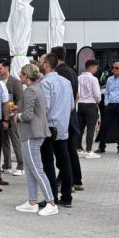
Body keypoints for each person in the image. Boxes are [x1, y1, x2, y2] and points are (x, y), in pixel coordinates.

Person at [13, 63, 57, 215]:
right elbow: (37, 110)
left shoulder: (30, 90)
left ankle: (51, 203)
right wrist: (20, 110)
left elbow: (28, 115)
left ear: (26, 75)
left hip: (32, 133)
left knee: (36, 169)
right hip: (34, 133)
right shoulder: (36, 88)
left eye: (21, 74)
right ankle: (32, 202)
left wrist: (18, 116)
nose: (19, 76)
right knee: (30, 169)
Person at [39, 55, 74, 207]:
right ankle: (66, 196)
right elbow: (72, 106)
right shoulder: (66, 82)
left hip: (49, 127)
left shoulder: (45, 82)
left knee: (48, 163)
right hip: (63, 126)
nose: (39, 64)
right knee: (64, 162)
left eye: (41, 62)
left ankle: (51, 197)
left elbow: (45, 108)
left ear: (47, 65)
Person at [50, 47, 84, 193]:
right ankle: (76, 180)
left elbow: (63, 97)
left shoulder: (60, 73)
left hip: (64, 118)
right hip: (70, 116)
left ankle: (68, 181)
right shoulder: (71, 71)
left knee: (64, 152)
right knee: (70, 150)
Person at [0, 60, 24, 175]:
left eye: (0, 68)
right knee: (4, 141)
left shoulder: (15, 81)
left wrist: (17, 111)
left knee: (15, 140)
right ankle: (6, 165)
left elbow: (21, 98)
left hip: (12, 115)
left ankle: (21, 166)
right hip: (1, 115)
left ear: (7, 68)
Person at [99, 61, 119, 155]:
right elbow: (107, 92)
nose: (114, 70)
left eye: (116, 68)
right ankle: (101, 147)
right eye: (113, 68)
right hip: (111, 105)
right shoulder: (109, 79)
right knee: (104, 126)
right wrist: (106, 103)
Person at [77, 60, 102, 158]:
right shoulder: (93, 79)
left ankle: (78, 149)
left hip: (80, 105)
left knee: (80, 128)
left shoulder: (78, 78)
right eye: (95, 68)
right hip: (91, 105)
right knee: (90, 129)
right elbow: (97, 94)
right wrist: (98, 101)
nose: (96, 70)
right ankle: (88, 150)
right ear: (91, 67)